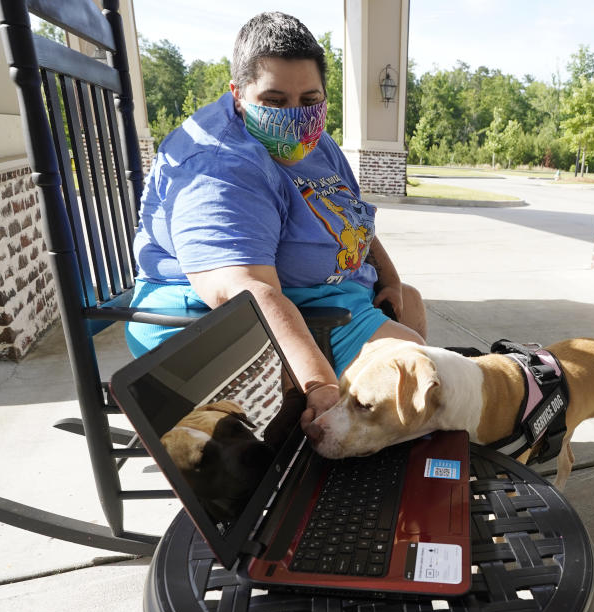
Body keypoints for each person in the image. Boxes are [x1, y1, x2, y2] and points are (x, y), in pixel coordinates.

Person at [125, 11, 427, 425]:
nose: (296, 116)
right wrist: (320, 385)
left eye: (310, 100)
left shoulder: (316, 144)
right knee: (419, 384)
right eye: (274, 101)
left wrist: (389, 281)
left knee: (411, 306)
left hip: (321, 301)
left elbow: (351, 221)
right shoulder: (219, 165)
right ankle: (338, 469)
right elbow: (244, 294)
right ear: (237, 93)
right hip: (227, 325)